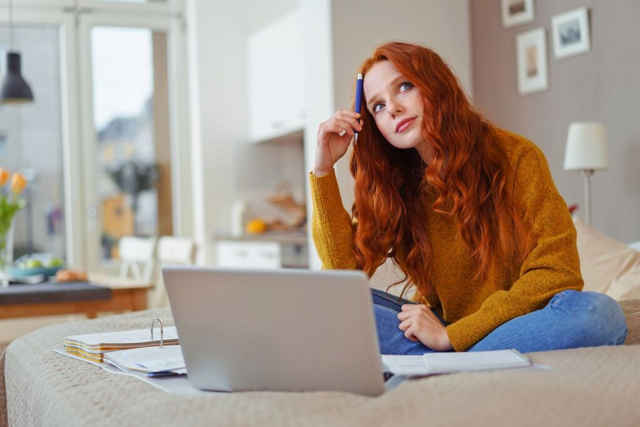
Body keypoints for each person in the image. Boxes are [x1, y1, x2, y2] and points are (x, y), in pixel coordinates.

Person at [310, 42, 628, 355]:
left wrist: (453, 336)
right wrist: (323, 170)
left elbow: (559, 272)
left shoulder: (517, 157)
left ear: (435, 86)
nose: (392, 107)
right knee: (326, 302)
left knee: (599, 314)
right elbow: (341, 278)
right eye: (378, 106)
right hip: (435, 325)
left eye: (404, 87)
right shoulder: (395, 185)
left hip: (516, 322)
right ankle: (461, 359)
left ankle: (446, 359)